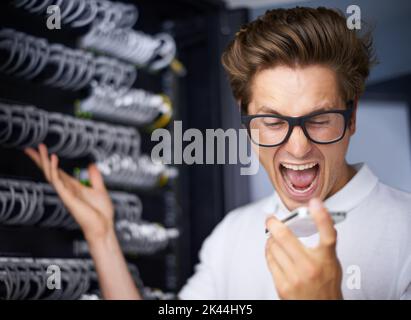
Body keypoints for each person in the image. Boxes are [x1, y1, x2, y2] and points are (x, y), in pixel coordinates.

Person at [25, 7, 411, 300]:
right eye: (273, 121)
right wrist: (103, 235)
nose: (297, 146)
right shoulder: (232, 234)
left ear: (352, 116)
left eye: (320, 118)